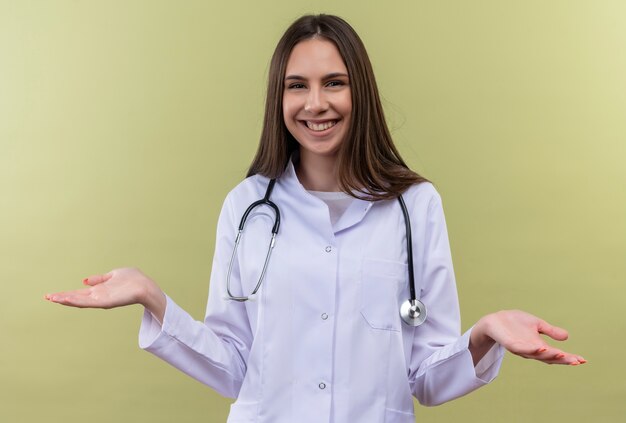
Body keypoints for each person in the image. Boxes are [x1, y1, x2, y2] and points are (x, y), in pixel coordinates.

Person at [45, 14, 585, 423]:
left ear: (361, 91)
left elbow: (425, 378)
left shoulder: (415, 205)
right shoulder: (247, 206)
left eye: (335, 82)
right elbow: (234, 365)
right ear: (279, 96)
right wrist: (153, 299)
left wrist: (485, 333)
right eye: (296, 85)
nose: (315, 103)